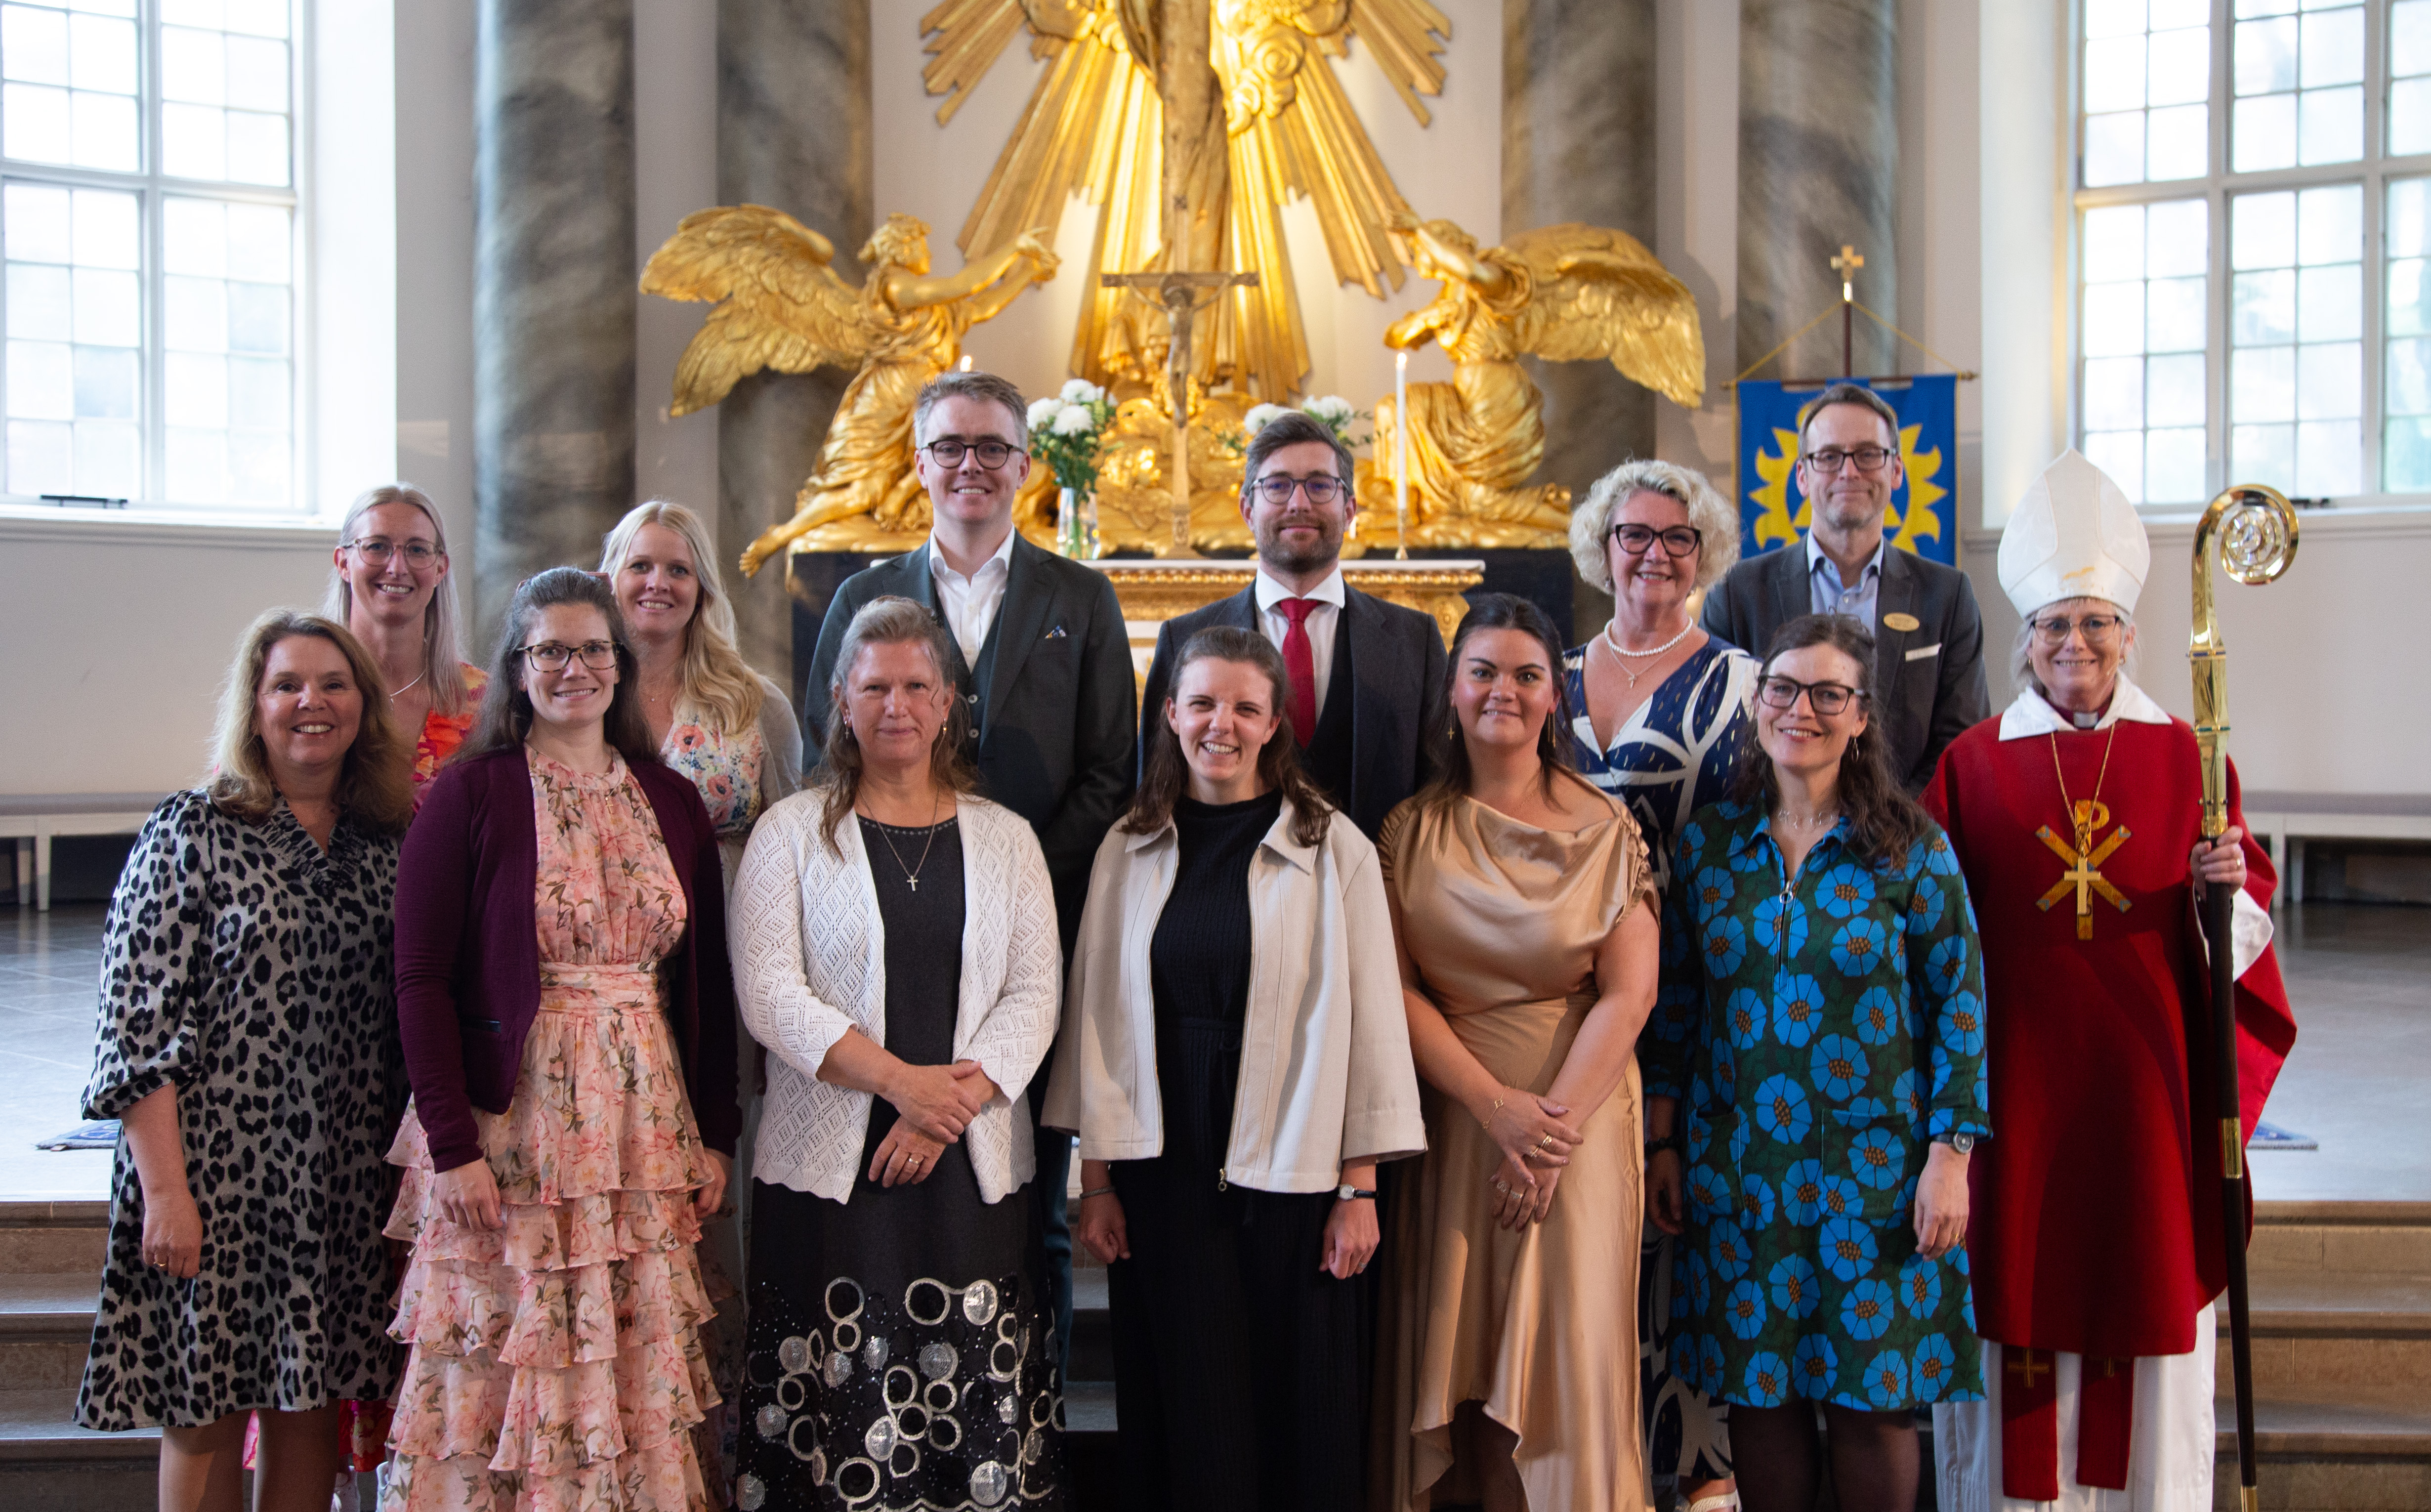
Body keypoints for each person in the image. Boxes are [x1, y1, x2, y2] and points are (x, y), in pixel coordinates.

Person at [1922, 451, 2296, 1512]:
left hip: (2148, 1096)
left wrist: (2221, 893)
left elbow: (2242, 945)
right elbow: (1934, 941)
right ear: (2026, 638)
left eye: (2096, 622)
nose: (2074, 643)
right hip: (2016, 1091)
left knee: (2145, 1274)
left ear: (2130, 634)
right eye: (2054, 624)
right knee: (2014, 1290)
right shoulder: (1973, 764)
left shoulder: (2189, 759)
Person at [383, 568, 740, 1510]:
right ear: (518, 666)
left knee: (624, 1357)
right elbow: (419, 981)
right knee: (514, 1354)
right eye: (550, 650)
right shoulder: (470, 795)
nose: (572, 669)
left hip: (640, 1129)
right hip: (513, 1134)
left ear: (621, 665)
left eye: (591, 649)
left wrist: (716, 1134)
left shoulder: (670, 800)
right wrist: (452, 1145)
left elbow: (704, 983)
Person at [1046, 627, 1424, 1512]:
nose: (1223, 725)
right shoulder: (1127, 845)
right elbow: (1097, 1014)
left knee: (1298, 1397)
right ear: (1171, 715)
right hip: (1162, 1155)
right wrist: (1096, 1181)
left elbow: (1373, 1019)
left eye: (1245, 708)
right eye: (1203, 704)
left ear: (1274, 724)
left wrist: (1360, 1187)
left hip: (1295, 1150)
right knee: (1188, 1398)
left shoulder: (1332, 846)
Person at [804, 368, 1136, 1363]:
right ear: (920, 463)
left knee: (1027, 1192)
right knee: (894, 1179)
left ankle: (1028, 1411)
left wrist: (1010, 885)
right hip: (892, 945)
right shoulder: (862, 596)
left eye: (993, 446)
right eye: (950, 446)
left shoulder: (1081, 596)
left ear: (1027, 465)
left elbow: (1110, 771)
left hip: (1033, 950)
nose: (971, 465)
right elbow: (827, 753)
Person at [729, 596, 1067, 1512]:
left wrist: (942, 1111)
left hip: (970, 1166)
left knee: (970, 1407)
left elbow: (1036, 995)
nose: (897, 706)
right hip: (832, 1178)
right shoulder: (790, 833)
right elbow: (770, 996)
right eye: (875, 687)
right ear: (841, 700)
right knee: (838, 1404)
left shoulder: (1007, 839)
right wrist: (903, 1087)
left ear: (948, 701)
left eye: (918, 686)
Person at [1646, 613, 1989, 1512]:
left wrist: (1950, 1158)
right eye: (1784, 689)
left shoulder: (1913, 850)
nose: (1802, 709)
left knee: (1871, 1402)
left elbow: (1959, 1006)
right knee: (1762, 1400)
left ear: (1862, 715)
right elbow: (1676, 1007)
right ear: (1758, 703)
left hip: (1877, 1175)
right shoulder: (1711, 846)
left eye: (1828, 694)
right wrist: (1663, 1143)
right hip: (1742, 1170)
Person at [75, 610, 414, 1512]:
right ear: (254, 707)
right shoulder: (191, 829)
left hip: (340, 1178)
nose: (312, 702)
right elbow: (136, 1032)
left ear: (363, 706)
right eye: (287, 685)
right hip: (214, 1176)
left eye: (334, 685)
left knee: (310, 1408)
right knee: (205, 1409)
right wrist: (167, 1194)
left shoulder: (387, 840)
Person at [1372, 593, 1662, 1512]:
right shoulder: (1407, 831)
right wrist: (1494, 1108)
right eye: (1484, 672)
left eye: (1527, 674)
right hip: (1457, 1120)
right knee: (1461, 1384)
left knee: (1562, 1372)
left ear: (1554, 695)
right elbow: (1395, 992)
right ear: (1453, 691)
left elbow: (1630, 994)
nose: (1504, 690)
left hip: (1580, 1121)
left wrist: (1547, 1135)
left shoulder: (1608, 827)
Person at [1563, 457, 1759, 1511]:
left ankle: (1698, 1477)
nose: (1654, 554)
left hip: (1698, 993)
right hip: (1568, 999)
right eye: (1633, 534)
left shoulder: (1745, 681)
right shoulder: (1548, 675)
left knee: (1685, 1235)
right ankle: (1600, 1467)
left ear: (1704, 552)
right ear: (1603, 547)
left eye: (1677, 537)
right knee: (1595, 1242)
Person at [1140, 409, 1448, 841]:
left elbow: (1440, 792)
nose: (1299, 503)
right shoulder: (1183, 639)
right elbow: (1156, 788)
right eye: (1278, 485)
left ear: (1350, 510)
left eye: (1320, 486)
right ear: (1248, 509)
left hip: (1377, 877)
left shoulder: (1415, 641)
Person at [1698, 383, 1988, 792]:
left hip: (1904, 826)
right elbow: (1718, 735)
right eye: (1829, 456)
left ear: (1896, 471)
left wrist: (1889, 822)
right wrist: (1791, 819)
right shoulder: (1736, 594)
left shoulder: (1948, 597)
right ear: (1802, 476)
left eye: (1868, 454)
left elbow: (1960, 745)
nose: (1849, 472)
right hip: (1770, 824)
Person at [603, 499, 804, 883]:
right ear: (612, 579)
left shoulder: (756, 703)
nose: (658, 583)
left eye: (678, 570)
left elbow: (792, 846)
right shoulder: (585, 699)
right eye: (640, 566)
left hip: (729, 911)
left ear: (701, 589)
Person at [324, 483, 486, 803]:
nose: (397, 568)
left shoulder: (484, 701)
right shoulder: (303, 691)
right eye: (377, 546)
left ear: (440, 568)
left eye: (417, 550)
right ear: (343, 563)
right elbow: (245, 795)